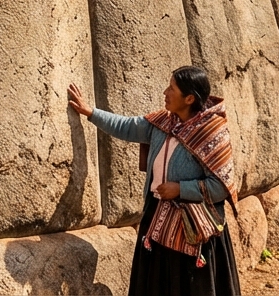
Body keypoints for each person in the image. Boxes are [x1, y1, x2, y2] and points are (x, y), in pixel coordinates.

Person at [68, 66, 241, 296]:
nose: (165, 92)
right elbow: (126, 127)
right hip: (157, 220)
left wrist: (180, 189)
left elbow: (220, 187)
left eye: (172, 88)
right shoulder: (163, 124)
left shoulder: (211, 133)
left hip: (193, 229)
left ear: (189, 98)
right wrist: (90, 112)